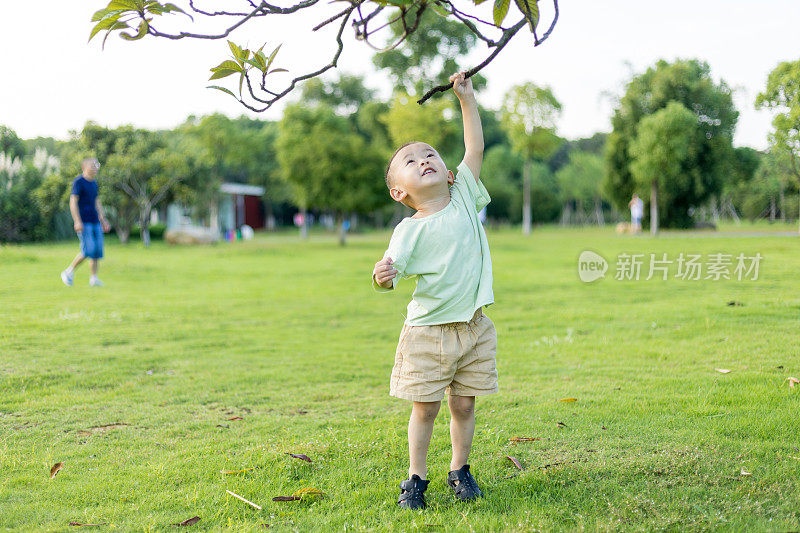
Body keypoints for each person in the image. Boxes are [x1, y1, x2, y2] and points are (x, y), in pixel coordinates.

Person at [372, 72, 497, 510]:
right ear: (399, 191)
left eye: (429, 154)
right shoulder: (408, 232)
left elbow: (475, 147)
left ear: (447, 172)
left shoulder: (463, 195)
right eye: (411, 160)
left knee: (464, 405)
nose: (423, 159)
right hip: (428, 334)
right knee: (424, 409)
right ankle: (416, 479)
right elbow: (389, 273)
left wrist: (466, 99)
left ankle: (460, 470)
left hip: (475, 327)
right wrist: (381, 276)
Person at [60, 158, 111, 287]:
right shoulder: (78, 182)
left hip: (95, 221)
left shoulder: (94, 183)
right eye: (92, 165)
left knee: (97, 251)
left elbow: (96, 202)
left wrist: (103, 219)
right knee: (88, 250)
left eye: (96, 165)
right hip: (84, 222)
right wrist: (77, 221)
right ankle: (68, 272)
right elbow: (73, 202)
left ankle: (93, 279)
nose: (95, 168)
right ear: (84, 167)